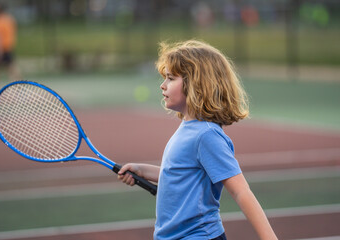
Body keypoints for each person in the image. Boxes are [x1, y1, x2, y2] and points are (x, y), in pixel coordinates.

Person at [118, 40, 277, 240]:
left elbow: (241, 191)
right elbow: (183, 177)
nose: (163, 85)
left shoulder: (206, 135)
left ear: (196, 84)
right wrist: (142, 170)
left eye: (171, 78)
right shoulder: (189, 129)